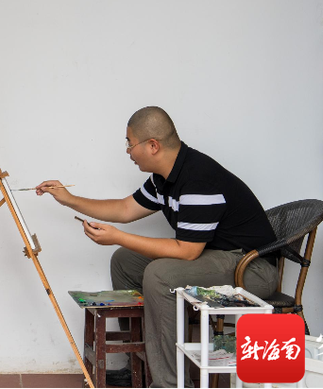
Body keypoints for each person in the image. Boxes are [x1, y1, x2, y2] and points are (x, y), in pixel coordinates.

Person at [36, 106, 278, 389]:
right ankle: (139, 367)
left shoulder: (199, 180)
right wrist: (69, 199)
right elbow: (125, 209)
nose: (127, 151)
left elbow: (187, 251)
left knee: (159, 274)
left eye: (130, 143)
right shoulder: (164, 178)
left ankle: (171, 385)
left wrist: (118, 236)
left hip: (251, 268)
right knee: (125, 260)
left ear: (153, 145)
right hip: (218, 256)